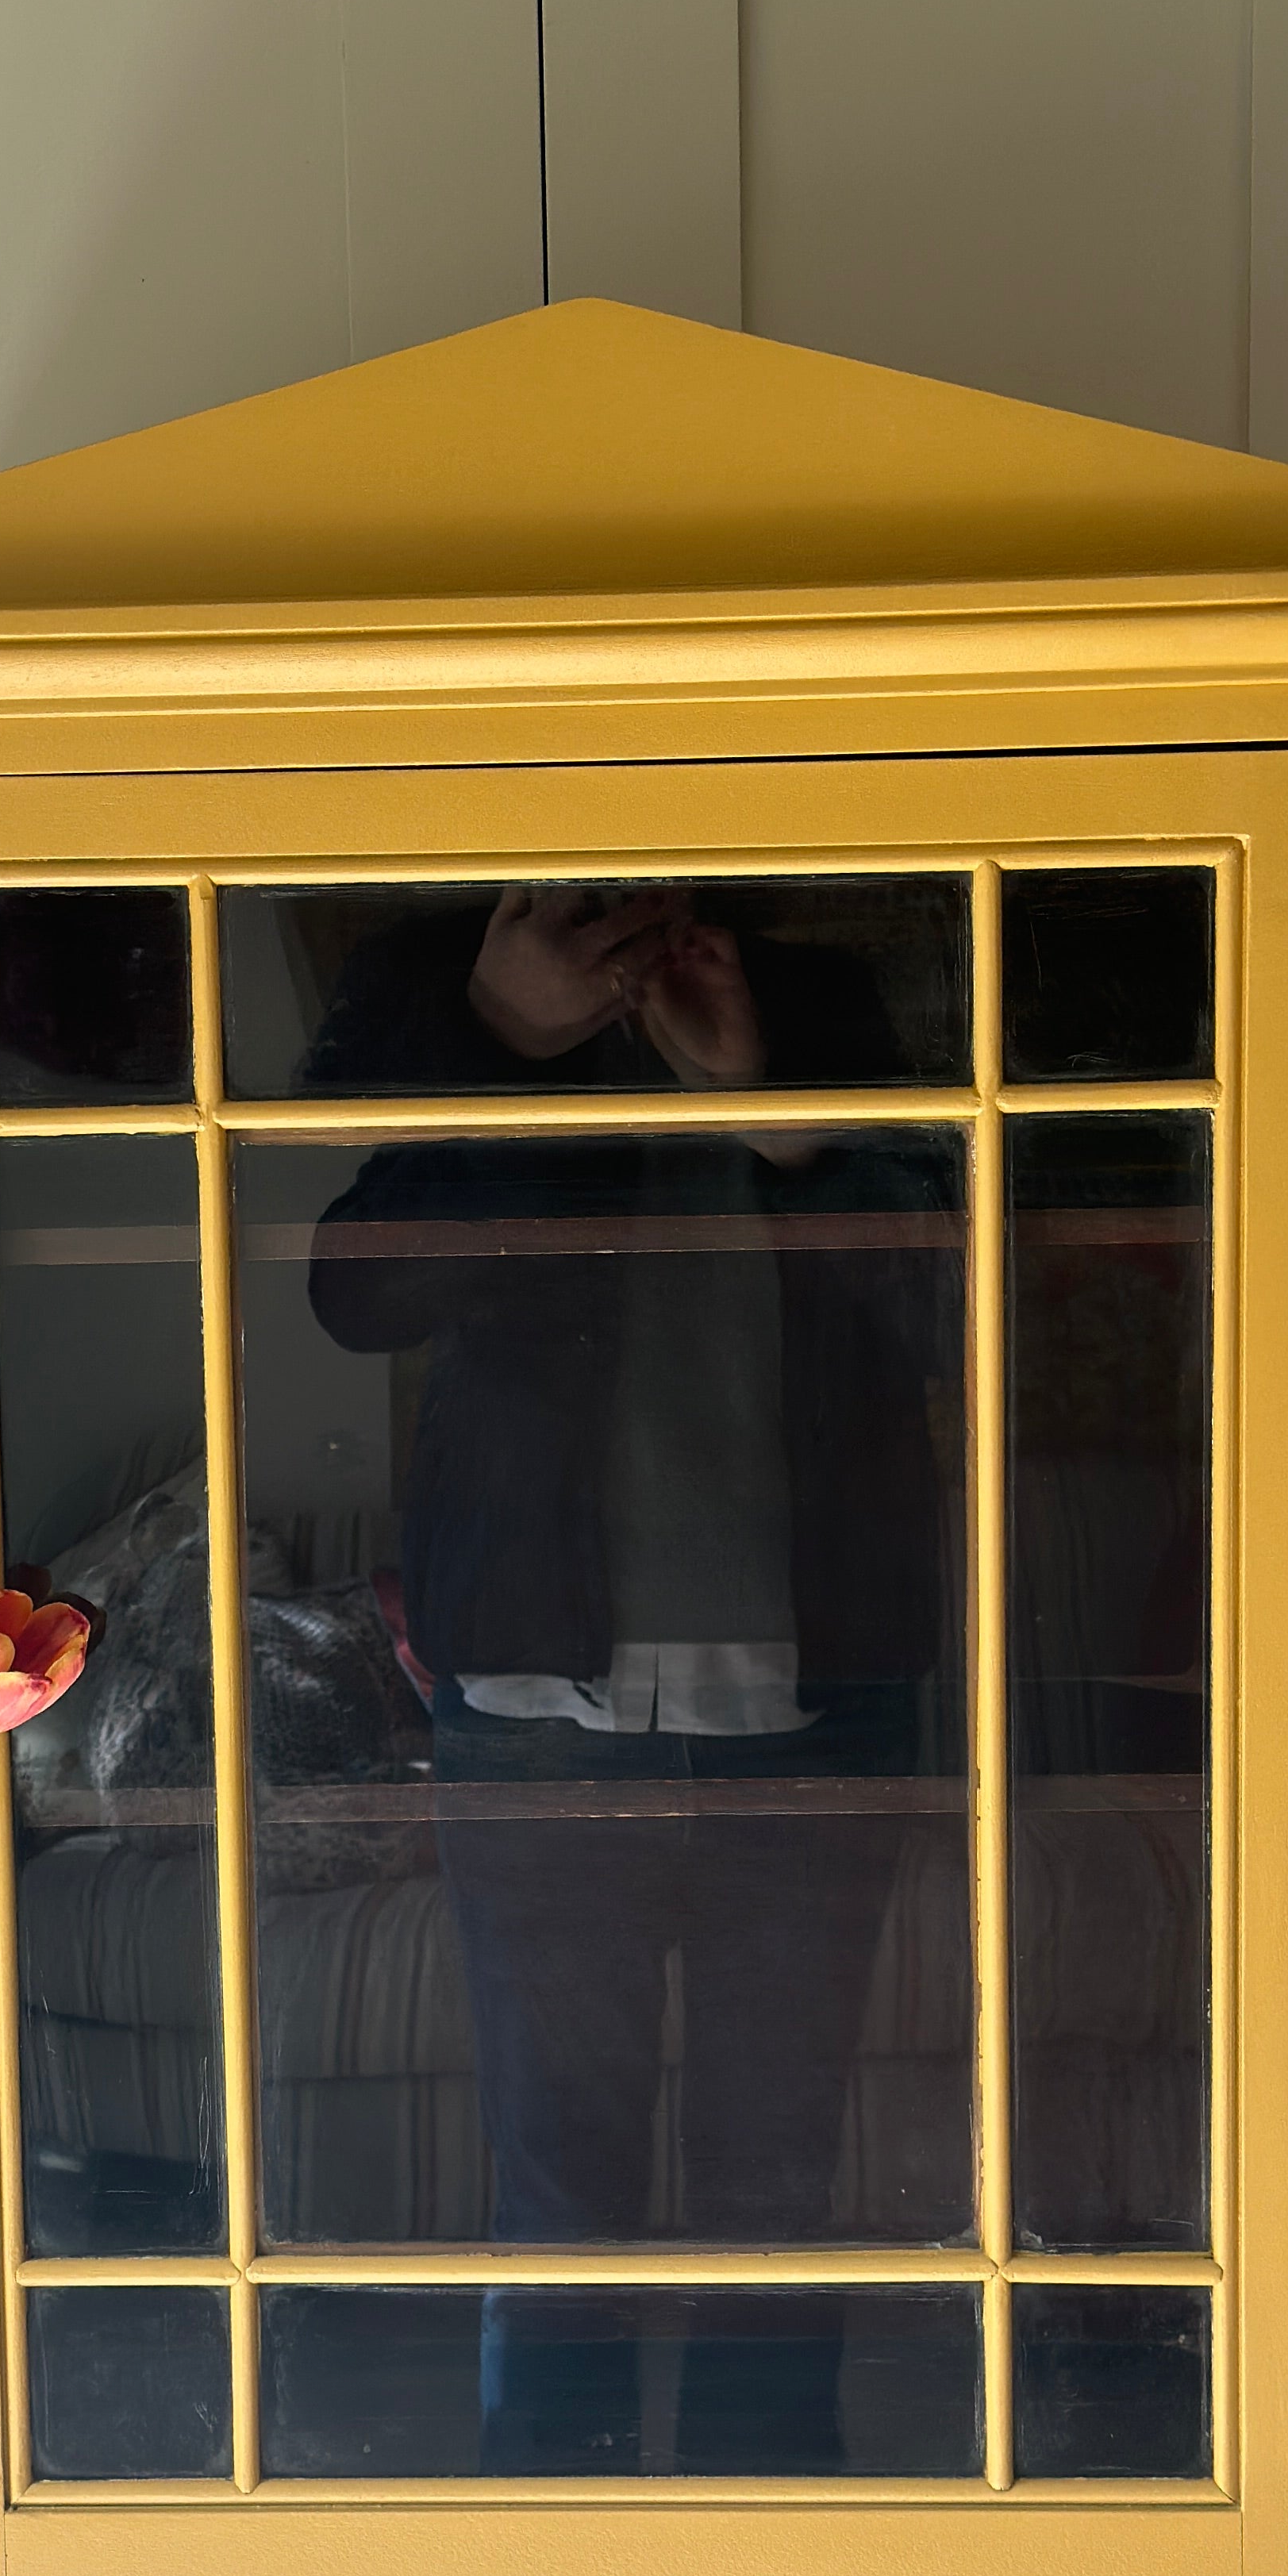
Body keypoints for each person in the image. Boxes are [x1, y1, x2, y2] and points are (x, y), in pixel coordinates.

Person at [303, 883, 967, 2471]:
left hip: (823, 1694)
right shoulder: (437, 987)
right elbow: (356, 1293)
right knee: (556, 2169)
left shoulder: (819, 998)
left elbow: (947, 1291)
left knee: (777, 2175)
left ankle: (767, 2552)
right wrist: (509, 1053)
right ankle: (553, 2560)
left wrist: (773, 1114)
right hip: (537, 1704)